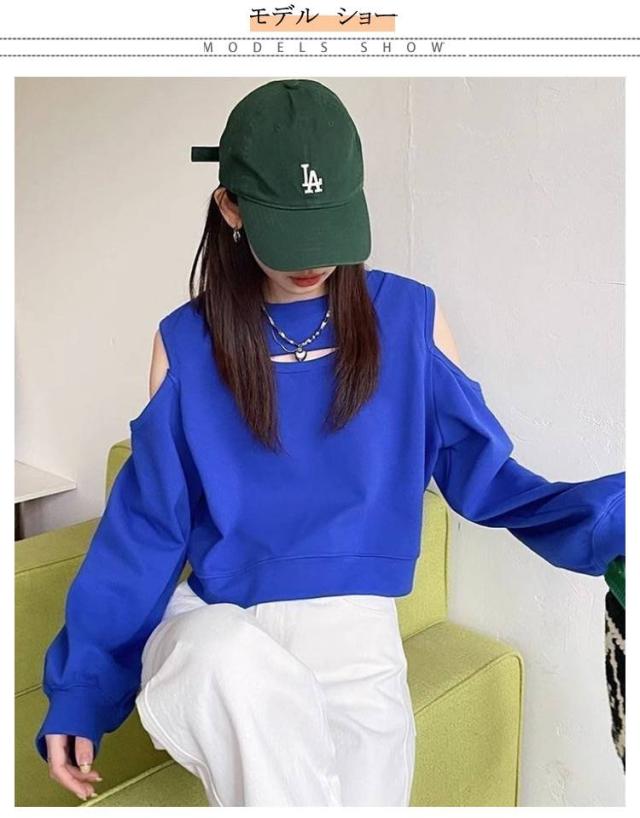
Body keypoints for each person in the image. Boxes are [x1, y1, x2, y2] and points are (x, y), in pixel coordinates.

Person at [35, 79, 626, 807]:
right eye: (290, 230)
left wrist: (612, 521)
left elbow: (487, 478)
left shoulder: (409, 319)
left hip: (357, 641)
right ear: (231, 208)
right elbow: (146, 528)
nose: (313, 260)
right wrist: (82, 690)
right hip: (218, 631)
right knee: (222, 658)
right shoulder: (185, 342)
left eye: (328, 224)